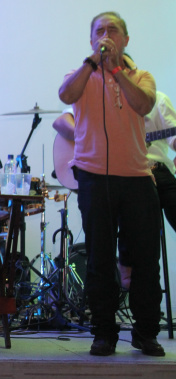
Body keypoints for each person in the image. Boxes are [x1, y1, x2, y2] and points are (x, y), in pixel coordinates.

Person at [58, 11, 164, 357]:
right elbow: (64, 95)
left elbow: (144, 104)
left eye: (112, 30)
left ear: (125, 40)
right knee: (99, 259)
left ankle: (146, 332)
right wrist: (93, 63)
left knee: (145, 260)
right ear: (91, 40)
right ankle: (104, 332)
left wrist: (117, 70)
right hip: (93, 176)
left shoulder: (141, 76)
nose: (106, 36)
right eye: (99, 31)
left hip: (136, 177)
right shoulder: (81, 76)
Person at [54, 90, 176, 290]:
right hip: (108, 173)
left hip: (154, 169)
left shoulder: (156, 99)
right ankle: (125, 266)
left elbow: (173, 137)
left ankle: (131, 266)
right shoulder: (97, 98)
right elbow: (60, 122)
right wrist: (90, 139)